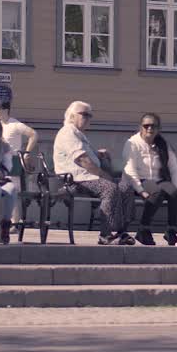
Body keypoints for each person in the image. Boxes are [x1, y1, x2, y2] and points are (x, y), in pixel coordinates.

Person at [54, 101, 136, 245]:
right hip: (75, 180)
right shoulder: (68, 132)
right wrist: (103, 175)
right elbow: (82, 161)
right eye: (84, 114)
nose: (88, 118)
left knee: (126, 187)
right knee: (109, 188)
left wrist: (97, 154)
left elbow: (86, 155)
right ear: (72, 116)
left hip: (88, 177)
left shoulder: (80, 134)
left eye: (90, 115)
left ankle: (121, 231)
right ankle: (105, 234)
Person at [122, 112, 177, 246]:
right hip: (139, 180)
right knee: (157, 192)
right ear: (140, 127)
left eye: (154, 126)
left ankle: (171, 231)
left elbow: (173, 168)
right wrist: (140, 190)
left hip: (159, 180)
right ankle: (143, 229)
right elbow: (129, 170)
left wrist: (176, 187)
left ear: (159, 129)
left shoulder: (163, 144)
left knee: (175, 193)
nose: (150, 128)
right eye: (146, 125)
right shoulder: (132, 143)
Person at [0, 95, 39, 228]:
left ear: (6, 110)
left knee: (13, 193)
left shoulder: (15, 124)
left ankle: (15, 224)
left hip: (13, 161)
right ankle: (1, 221)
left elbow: (33, 134)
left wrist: (27, 152)